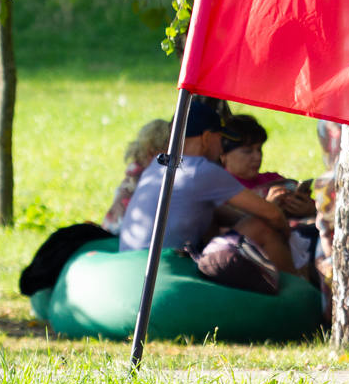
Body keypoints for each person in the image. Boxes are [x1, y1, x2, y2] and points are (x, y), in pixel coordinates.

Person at [118, 99, 296, 271]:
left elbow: (213, 212)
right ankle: (300, 290)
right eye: (220, 140)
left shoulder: (159, 164)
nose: (221, 148)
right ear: (206, 138)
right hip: (165, 267)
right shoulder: (202, 171)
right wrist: (288, 236)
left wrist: (242, 218)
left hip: (133, 262)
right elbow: (272, 214)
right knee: (261, 227)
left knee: (218, 217)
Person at [103, 119, 172, 234]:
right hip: (121, 229)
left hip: (113, 225)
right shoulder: (145, 173)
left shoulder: (135, 167)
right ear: (153, 151)